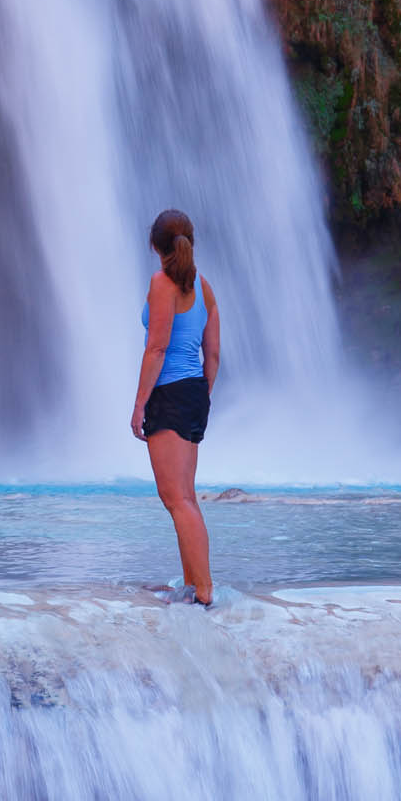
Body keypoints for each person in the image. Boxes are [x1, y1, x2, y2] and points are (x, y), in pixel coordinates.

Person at [130, 208, 220, 606]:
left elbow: (157, 347)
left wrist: (139, 405)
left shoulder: (161, 284)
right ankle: (193, 585)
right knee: (186, 496)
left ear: (155, 245)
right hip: (195, 391)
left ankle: (203, 591)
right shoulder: (203, 287)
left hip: (169, 393)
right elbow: (212, 353)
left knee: (177, 499)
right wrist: (201, 394)